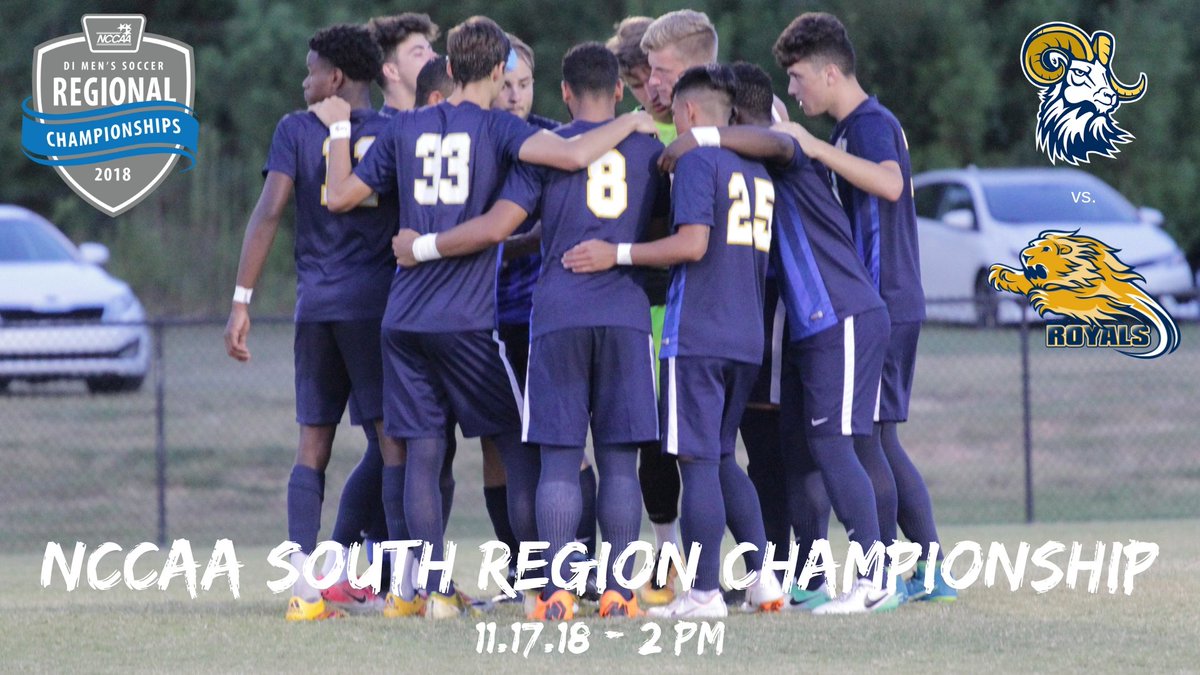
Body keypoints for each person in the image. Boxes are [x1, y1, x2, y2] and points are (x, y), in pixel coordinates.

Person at [311, 15, 656, 619]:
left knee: (421, 452)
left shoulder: (406, 127)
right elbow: (573, 154)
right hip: (467, 321)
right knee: (523, 453)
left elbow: (337, 196)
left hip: (402, 318)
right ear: (498, 71)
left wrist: (339, 131)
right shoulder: (498, 128)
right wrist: (629, 120)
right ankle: (541, 582)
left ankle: (431, 590)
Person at [396, 42, 666, 621]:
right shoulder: (648, 148)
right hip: (624, 313)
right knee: (619, 462)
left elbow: (501, 226)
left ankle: (557, 592)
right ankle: (620, 590)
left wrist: (423, 247)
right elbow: (667, 230)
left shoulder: (544, 152)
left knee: (559, 460)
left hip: (557, 315)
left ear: (563, 93)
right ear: (619, 90)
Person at [659, 60, 896, 614]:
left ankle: (875, 576)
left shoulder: (785, 144)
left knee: (839, 446)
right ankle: (820, 576)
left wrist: (702, 135)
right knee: (822, 448)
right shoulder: (754, 164)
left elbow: (778, 136)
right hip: (816, 321)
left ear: (737, 116)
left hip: (843, 312)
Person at [563, 64, 784, 619]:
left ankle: (704, 593)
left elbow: (690, 244)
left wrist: (617, 253)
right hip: (746, 334)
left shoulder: (697, 159)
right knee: (722, 457)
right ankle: (764, 582)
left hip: (700, 332)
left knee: (697, 463)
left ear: (687, 114)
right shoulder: (754, 168)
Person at [772, 12, 955, 602]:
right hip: (885, 303)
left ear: (830, 71)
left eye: (798, 76)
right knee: (875, 439)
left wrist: (815, 150)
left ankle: (910, 573)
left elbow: (891, 184)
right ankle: (924, 570)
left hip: (886, 302)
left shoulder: (868, 125)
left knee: (867, 441)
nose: (794, 89)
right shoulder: (852, 128)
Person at [223, 23, 397, 622]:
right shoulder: (396, 134)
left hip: (317, 307)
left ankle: (304, 585)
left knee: (312, 445)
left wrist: (242, 298)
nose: (304, 81)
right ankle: (398, 581)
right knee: (395, 444)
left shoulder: (295, 131)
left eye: (311, 70)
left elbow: (269, 210)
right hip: (375, 310)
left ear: (337, 77)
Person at [489, 34, 601, 580]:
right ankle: (531, 574)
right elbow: (488, 233)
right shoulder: (483, 142)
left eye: (523, 84)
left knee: (567, 449)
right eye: (504, 84)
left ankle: (579, 568)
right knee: (515, 454)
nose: (514, 96)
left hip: (553, 316)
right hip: (498, 319)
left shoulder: (554, 142)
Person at [369, 13, 439, 114]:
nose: (434, 56)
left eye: (430, 49)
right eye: (418, 53)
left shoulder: (448, 122)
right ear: (391, 71)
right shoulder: (380, 129)